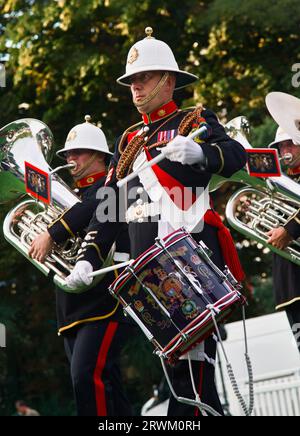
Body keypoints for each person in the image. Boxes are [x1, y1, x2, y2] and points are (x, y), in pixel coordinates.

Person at [66, 27, 247, 416]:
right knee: (181, 381)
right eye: (131, 81)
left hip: (192, 259)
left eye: (143, 78)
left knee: (191, 379)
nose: (135, 87)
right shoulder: (129, 139)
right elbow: (113, 204)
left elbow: (235, 156)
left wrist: (200, 152)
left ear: (169, 80)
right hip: (149, 271)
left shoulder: (193, 118)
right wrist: (88, 257)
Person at [28, 116, 133, 416]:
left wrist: (52, 232)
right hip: (71, 306)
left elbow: (96, 205)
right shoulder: (72, 200)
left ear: (100, 156)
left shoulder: (113, 189)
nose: (70, 159)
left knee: (86, 377)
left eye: (78, 152)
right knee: (108, 387)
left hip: (104, 303)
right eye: (67, 155)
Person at [266, 126, 300, 352]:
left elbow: (288, 229)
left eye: (290, 143)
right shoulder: (276, 183)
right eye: (281, 146)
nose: (284, 150)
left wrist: (290, 229)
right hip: (292, 282)